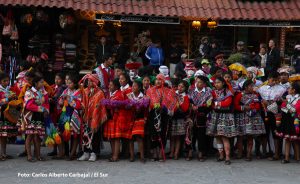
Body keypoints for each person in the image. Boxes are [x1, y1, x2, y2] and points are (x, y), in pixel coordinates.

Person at [146, 74, 177, 161]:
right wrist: (154, 105)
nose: (158, 81)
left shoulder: (168, 91)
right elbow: (147, 102)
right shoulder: (150, 91)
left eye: (160, 79)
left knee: (163, 133)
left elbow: (172, 102)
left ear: (163, 81)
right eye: (156, 79)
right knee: (153, 133)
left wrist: (163, 107)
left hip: (163, 115)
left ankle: (160, 153)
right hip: (153, 115)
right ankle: (154, 153)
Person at [206, 77, 237, 165]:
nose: (216, 84)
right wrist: (215, 104)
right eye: (215, 83)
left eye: (218, 82)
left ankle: (227, 157)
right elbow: (210, 103)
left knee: (224, 136)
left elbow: (227, 103)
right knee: (217, 136)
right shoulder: (213, 92)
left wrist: (216, 104)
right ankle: (221, 155)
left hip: (225, 116)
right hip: (216, 115)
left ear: (223, 83)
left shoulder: (228, 92)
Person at [257, 72, 286, 160]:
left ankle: (277, 153)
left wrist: (269, 103)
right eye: (272, 80)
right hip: (264, 112)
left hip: (275, 113)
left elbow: (282, 101)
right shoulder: (262, 88)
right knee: (264, 132)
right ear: (268, 79)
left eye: (275, 80)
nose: (273, 82)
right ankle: (265, 152)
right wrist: (263, 102)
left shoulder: (282, 89)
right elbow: (258, 98)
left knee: (275, 132)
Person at [234, 80, 266, 161]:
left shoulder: (255, 95)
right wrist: (244, 108)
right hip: (242, 117)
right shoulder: (239, 95)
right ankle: (240, 153)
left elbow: (258, 105)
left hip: (253, 118)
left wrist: (251, 107)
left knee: (250, 136)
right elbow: (236, 105)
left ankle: (249, 154)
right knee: (240, 137)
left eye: (253, 86)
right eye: (251, 86)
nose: (253, 88)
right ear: (246, 87)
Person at [78, 74, 107, 162]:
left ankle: (94, 153)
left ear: (95, 82)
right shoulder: (85, 91)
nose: (88, 82)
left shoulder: (100, 93)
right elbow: (83, 102)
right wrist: (82, 108)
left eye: (90, 81)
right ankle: (86, 152)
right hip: (87, 117)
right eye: (87, 81)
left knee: (95, 136)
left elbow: (99, 106)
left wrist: (95, 115)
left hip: (95, 117)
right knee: (86, 135)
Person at [22, 74, 49, 162]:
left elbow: (46, 103)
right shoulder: (29, 92)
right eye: (41, 82)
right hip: (31, 117)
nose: (43, 84)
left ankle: (38, 155)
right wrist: (41, 108)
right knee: (29, 135)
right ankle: (29, 156)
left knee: (38, 136)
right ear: (36, 83)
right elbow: (29, 106)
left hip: (39, 116)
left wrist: (46, 110)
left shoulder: (43, 92)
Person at [103, 79, 131, 162]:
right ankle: (114, 154)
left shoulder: (119, 94)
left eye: (111, 85)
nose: (109, 86)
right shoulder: (110, 94)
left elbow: (121, 105)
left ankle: (115, 156)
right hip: (111, 118)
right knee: (112, 137)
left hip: (118, 118)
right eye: (109, 85)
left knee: (116, 138)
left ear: (116, 87)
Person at [58, 74, 83, 160]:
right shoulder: (65, 91)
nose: (68, 84)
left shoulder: (79, 92)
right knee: (61, 132)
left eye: (70, 83)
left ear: (75, 84)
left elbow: (78, 105)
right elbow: (60, 102)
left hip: (74, 114)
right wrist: (61, 101)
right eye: (67, 83)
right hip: (65, 114)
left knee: (74, 134)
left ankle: (72, 153)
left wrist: (68, 99)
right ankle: (62, 153)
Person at [189, 75, 212, 161]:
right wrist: (192, 106)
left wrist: (198, 108)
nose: (197, 83)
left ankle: (201, 153)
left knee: (201, 135)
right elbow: (189, 100)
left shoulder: (208, 92)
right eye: (197, 81)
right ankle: (190, 151)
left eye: (200, 82)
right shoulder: (191, 91)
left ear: (204, 84)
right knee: (191, 134)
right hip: (192, 116)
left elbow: (209, 104)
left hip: (202, 116)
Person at [277, 80, 300, 163]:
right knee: (287, 139)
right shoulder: (288, 97)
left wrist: (287, 105)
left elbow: (295, 110)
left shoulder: (298, 98)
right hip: (287, 120)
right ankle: (286, 158)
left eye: (290, 88)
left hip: (295, 121)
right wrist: (286, 106)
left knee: (295, 140)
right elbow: (283, 108)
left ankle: (297, 157)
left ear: (294, 90)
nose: (288, 89)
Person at [127, 81, 148, 163]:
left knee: (139, 137)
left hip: (140, 119)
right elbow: (126, 106)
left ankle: (142, 156)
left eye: (135, 86)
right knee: (130, 138)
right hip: (130, 119)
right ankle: (132, 156)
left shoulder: (144, 97)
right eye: (132, 86)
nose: (132, 88)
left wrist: (145, 118)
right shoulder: (129, 96)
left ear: (139, 88)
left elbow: (146, 109)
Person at [169, 80, 190, 160]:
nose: (180, 88)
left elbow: (185, 108)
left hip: (180, 118)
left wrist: (178, 106)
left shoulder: (186, 97)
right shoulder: (173, 93)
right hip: (173, 117)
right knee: (172, 136)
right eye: (179, 86)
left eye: (182, 87)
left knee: (178, 137)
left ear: (185, 88)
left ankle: (176, 153)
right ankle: (171, 152)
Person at [47, 73, 66, 157]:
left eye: (58, 79)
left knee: (58, 132)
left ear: (62, 80)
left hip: (58, 112)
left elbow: (56, 98)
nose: (56, 80)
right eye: (55, 78)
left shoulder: (62, 88)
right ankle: (55, 150)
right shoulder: (52, 87)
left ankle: (61, 152)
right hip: (52, 112)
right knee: (53, 130)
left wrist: (50, 99)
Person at [0, 72, 17, 161]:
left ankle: (3, 154)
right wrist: (8, 99)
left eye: (7, 81)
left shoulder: (9, 90)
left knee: (4, 135)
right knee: (1, 135)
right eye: (4, 81)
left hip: (7, 115)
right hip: (1, 115)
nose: (6, 83)